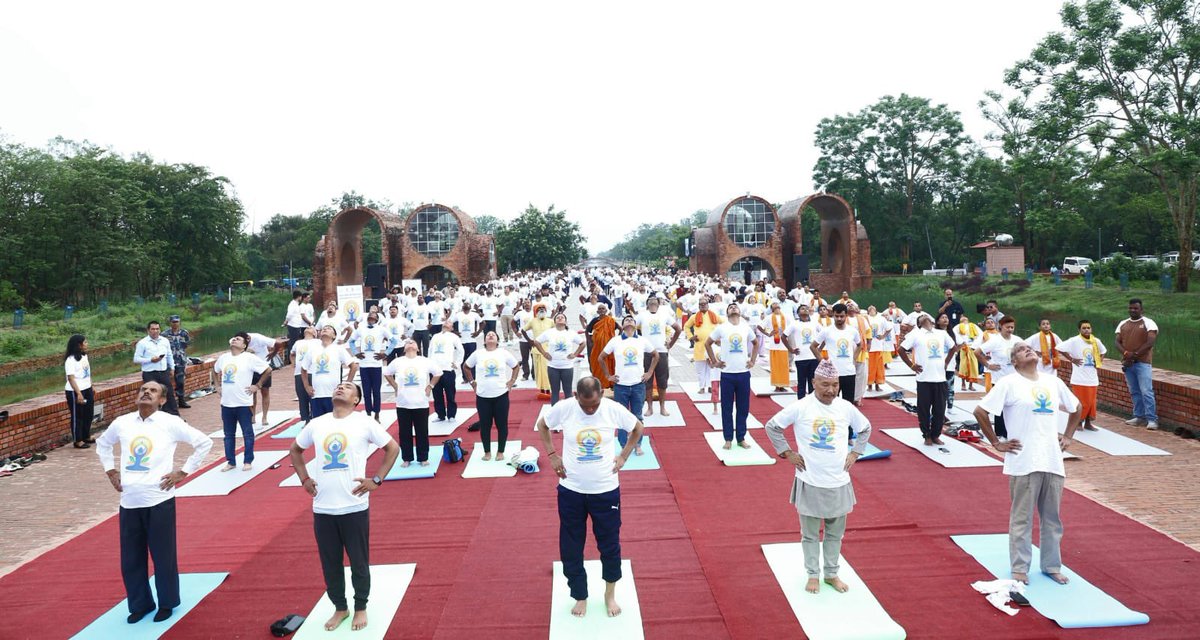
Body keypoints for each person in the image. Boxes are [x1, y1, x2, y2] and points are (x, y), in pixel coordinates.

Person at [96, 382, 213, 624]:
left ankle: (167, 602)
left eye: (153, 391)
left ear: (161, 400)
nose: (146, 393)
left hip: (159, 500)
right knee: (131, 559)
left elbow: (204, 443)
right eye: (143, 390)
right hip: (129, 501)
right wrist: (110, 471)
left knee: (163, 556)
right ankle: (140, 604)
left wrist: (182, 472)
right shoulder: (123, 422)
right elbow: (103, 444)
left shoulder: (169, 422)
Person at [290, 382, 400, 632]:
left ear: (356, 400)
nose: (341, 388)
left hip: (354, 505)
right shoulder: (317, 423)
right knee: (330, 562)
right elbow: (295, 450)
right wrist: (305, 479)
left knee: (359, 561)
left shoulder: (364, 422)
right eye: (339, 386)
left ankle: (360, 606)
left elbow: (392, 448)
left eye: (348, 387)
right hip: (323, 507)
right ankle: (340, 607)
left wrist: (377, 479)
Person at [973, 343, 1082, 585]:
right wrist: (996, 442)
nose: (1028, 351)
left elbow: (1077, 408)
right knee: (1022, 517)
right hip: (1024, 460)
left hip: (1052, 459)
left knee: (1052, 518)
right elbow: (980, 411)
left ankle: (1051, 565)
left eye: (1029, 349)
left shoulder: (1053, 382)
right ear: (1015, 362)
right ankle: (1020, 567)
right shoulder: (1008, 383)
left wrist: (1068, 436)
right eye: (1022, 351)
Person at [536, 376, 644, 618]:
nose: (590, 409)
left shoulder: (612, 409)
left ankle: (609, 593)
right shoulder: (565, 408)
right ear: (576, 396)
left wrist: (624, 455)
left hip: (605, 490)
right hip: (571, 489)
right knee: (571, 545)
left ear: (602, 394)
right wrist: (552, 454)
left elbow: (637, 428)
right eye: (585, 406)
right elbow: (542, 424)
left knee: (609, 544)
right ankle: (580, 595)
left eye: (594, 404)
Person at [764, 359, 872, 594]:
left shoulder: (845, 407)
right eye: (824, 384)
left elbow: (865, 428)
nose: (830, 390)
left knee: (835, 533)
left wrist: (856, 452)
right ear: (813, 383)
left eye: (835, 385)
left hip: (839, 481)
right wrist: (786, 452)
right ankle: (813, 574)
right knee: (810, 534)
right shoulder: (801, 406)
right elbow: (772, 426)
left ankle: (831, 573)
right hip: (810, 480)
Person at [212, 334, 271, 471]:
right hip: (226, 403)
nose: (234, 340)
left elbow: (267, 370)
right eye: (233, 338)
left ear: (244, 346)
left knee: (247, 433)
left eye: (238, 339)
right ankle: (230, 461)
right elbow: (215, 371)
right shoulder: (223, 358)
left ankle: (248, 460)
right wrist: (217, 386)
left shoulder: (249, 358)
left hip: (243, 403)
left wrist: (258, 385)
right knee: (228, 434)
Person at [706, 303, 761, 449]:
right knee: (727, 407)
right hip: (727, 374)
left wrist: (753, 360)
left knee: (743, 407)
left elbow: (756, 343)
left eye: (735, 307)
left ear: (740, 311)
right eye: (730, 307)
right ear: (727, 312)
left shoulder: (745, 327)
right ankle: (728, 438)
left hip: (743, 373)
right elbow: (708, 343)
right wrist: (715, 362)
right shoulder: (722, 327)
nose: (733, 308)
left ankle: (741, 437)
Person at [600, 315, 656, 455]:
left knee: (638, 416)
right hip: (621, 386)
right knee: (621, 417)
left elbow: (656, 355)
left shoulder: (642, 340)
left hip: (638, 385)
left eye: (632, 320)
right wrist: (608, 376)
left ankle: (637, 444)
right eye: (626, 320)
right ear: (622, 325)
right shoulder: (615, 341)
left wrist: (649, 373)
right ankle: (624, 445)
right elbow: (601, 357)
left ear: (636, 325)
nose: (629, 321)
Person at [898, 315, 956, 446]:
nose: (925, 317)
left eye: (926, 316)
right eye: (921, 318)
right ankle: (927, 435)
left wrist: (946, 362)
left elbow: (953, 347)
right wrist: (911, 365)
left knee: (940, 409)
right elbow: (901, 349)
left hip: (940, 378)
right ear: (919, 323)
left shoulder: (941, 333)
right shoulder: (916, 334)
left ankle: (936, 435)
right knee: (924, 409)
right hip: (924, 378)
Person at [384, 339, 443, 466]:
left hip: (420, 402)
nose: (410, 343)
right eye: (408, 342)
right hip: (403, 402)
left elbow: (438, 373)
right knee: (404, 432)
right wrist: (395, 386)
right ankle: (407, 458)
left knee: (422, 431)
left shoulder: (424, 361)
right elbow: (387, 373)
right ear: (404, 348)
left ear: (418, 348)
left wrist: (430, 386)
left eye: (413, 342)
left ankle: (423, 457)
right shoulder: (398, 362)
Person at [464, 331, 520, 460]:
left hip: (501, 394)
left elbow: (516, 366)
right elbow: (466, 367)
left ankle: (500, 451)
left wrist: (511, 381)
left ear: (497, 340)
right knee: (485, 425)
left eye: (493, 335)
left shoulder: (503, 353)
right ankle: (487, 452)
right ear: (484, 341)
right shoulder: (478, 354)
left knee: (502, 424)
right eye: (488, 335)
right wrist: (472, 382)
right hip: (483, 396)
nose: (490, 336)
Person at [975, 316, 1023, 439]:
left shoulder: (1017, 340)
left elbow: (1025, 351)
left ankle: (1012, 431)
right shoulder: (995, 340)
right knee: (1000, 407)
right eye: (1007, 327)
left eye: (1012, 327)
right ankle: (1000, 433)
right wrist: (988, 365)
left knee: (1013, 405)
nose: (1010, 330)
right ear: (1000, 327)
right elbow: (977, 352)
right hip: (999, 379)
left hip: (1015, 378)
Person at [1115, 298, 1160, 430]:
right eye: (1131, 308)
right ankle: (1139, 417)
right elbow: (1117, 342)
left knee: (1146, 391)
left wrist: (1133, 356)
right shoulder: (1123, 323)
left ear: (1141, 309)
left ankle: (1152, 419)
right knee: (1134, 391)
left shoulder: (1148, 323)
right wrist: (1126, 354)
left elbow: (1150, 342)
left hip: (1143, 363)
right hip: (1128, 364)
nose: (1133, 310)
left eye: (1135, 308)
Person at [1056, 319, 1108, 431]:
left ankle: (1088, 423)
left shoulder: (1095, 341)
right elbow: (1059, 347)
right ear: (1079, 329)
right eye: (1084, 328)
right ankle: (1078, 423)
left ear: (1091, 329)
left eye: (1088, 328)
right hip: (1079, 379)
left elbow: (1103, 351)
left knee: (1091, 402)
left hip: (1093, 378)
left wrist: (1099, 361)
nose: (1086, 330)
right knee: (1081, 402)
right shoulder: (1074, 340)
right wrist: (1071, 359)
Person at [636, 295, 681, 415]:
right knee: (647, 380)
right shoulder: (642, 315)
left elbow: (678, 329)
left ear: (658, 304)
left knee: (662, 380)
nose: (652, 304)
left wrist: (670, 344)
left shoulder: (664, 315)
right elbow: (630, 328)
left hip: (662, 351)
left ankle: (662, 407)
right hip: (646, 352)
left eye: (655, 302)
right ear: (647, 305)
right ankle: (649, 407)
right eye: (650, 302)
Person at [302, 326, 360, 420]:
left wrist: (346, 384)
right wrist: (306, 386)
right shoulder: (312, 350)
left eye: (329, 329)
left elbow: (353, 366)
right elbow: (303, 369)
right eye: (323, 328)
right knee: (318, 423)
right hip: (317, 394)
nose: (325, 329)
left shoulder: (338, 349)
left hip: (333, 394)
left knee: (334, 422)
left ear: (334, 336)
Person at [810, 304, 861, 404]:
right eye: (836, 316)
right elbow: (813, 346)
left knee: (848, 403)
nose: (839, 318)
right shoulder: (826, 331)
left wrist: (854, 358)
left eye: (841, 316)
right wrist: (823, 362)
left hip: (849, 372)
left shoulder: (853, 331)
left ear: (846, 315)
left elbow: (860, 345)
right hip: (833, 374)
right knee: (831, 403)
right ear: (832, 315)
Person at [534, 312, 586, 405]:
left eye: (562, 317)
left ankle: (569, 412)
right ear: (554, 321)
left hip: (567, 366)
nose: (560, 318)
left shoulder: (571, 333)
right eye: (558, 317)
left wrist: (575, 354)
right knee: (555, 392)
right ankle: (555, 413)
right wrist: (544, 353)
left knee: (568, 392)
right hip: (553, 366)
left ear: (566, 321)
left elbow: (582, 343)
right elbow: (537, 341)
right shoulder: (550, 332)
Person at [351, 311, 389, 422]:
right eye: (369, 316)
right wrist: (355, 352)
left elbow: (393, 340)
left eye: (374, 316)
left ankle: (377, 414)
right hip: (364, 364)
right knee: (366, 392)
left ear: (377, 319)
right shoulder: (361, 329)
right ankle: (368, 413)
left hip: (376, 364)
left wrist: (385, 353)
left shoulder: (381, 329)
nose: (371, 317)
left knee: (376, 391)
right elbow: (351, 341)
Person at [133, 321, 177, 415]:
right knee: (151, 396)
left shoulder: (164, 341)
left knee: (168, 394)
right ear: (148, 330)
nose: (155, 331)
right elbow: (136, 359)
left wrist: (172, 368)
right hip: (150, 373)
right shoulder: (142, 343)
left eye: (157, 329)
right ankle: (152, 416)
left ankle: (174, 416)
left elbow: (169, 355)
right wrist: (150, 360)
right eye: (153, 329)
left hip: (163, 372)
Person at [244, 332, 287, 428]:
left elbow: (278, 343)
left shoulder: (259, 338)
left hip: (263, 366)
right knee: (251, 392)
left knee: (265, 391)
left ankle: (264, 417)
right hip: (250, 368)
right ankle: (252, 416)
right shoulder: (237, 341)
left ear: (248, 338)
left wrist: (273, 353)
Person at [682, 297, 723, 396]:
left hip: (712, 346)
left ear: (708, 305)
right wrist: (691, 337)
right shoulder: (694, 316)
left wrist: (720, 338)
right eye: (701, 304)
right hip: (699, 345)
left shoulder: (714, 315)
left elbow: (724, 323)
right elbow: (686, 326)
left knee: (711, 367)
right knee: (700, 369)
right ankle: (701, 387)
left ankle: (709, 386)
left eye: (705, 303)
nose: (703, 305)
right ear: (698, 306)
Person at [427, 320, 465, 422]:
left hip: (447, 368)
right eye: (445, 322)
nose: (445, 323)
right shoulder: (435, 336)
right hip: (435, 370)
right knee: (437, 393)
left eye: (449, 323)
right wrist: (429, 365)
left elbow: (461, 350)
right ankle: (440, 414)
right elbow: (430, 350)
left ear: (452, 328)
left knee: (450, 393)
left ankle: (451, 415)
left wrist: (457, 363)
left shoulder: (454, 337)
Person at [65, 334, 95, 448]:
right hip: (75, 391)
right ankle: (78, 440)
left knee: (88, 413)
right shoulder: (70, 360)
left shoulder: (84, 356)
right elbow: (71, 378)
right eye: (85, 342)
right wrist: (79, 394)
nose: (87, 344)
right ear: (79, 345)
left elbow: (87, 374)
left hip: (87, 388)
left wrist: (91, 386)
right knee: (78, 416)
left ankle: (86, 435)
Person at [785, 304, 820, 400]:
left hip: (813, 357)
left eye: (807, 308)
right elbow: (784, 336)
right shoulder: (794, 324)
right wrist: (791, 349)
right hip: (800, 357)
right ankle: (801, 402)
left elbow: (824, 335)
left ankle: (813, 403)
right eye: (802, 308)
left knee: (812, 382)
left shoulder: (814, 323)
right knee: (801, 382)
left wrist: (819, 350)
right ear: (798, 313)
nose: (805, 310)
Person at [759, 301, 794, 392]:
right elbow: (759, 326)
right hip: (774, 345)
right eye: (774, 304)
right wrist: (768, 334)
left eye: (777, 304)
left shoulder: (786, 317)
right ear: (771, 308)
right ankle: (776, 385)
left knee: (784, 366)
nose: (776, 305)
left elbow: (793, 327)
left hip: (784, 345)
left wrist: (787, 334)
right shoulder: (769, 317)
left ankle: (782, 385)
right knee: (775, 366)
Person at [524, 302, 555, 398]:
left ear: (546, 311)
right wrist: (529, 341)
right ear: (536, 311)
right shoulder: (532, 321)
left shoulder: (550, 321)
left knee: (547, 370)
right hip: (537, 350)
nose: (541, 310)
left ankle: (548, 390)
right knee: (539, 371)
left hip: (548, 350)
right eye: (539, 309)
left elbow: (556, 331)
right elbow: (523, 330)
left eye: (543, 308)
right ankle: (542, 390)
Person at [290, 327, 320, 424]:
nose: (308, 328)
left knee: (313, 395)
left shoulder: (317, 342)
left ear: (315, 333)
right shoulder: (298, 343)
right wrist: (293, 362)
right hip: (299, 372)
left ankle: (315, 417)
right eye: (307, 328)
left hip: (312, 371)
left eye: (311, 328)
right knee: (302, 397)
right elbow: (292, 353)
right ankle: (305, 419)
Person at [587, 303, 619, 390]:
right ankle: (599, 383)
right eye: (600, 309)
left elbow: (620, 328)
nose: (601, 310)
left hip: (609, 347)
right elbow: (587, 330)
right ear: (597, 311)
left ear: (606, 310)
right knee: (597, 363)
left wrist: (618, 339)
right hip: (597, 347)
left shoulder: (610, 320)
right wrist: (589, 341)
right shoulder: (595, 320)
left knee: (609, 364)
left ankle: (610, 382)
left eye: (603, 309)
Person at [163, 316, 192, 409]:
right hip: (169, 362)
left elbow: (187, 344)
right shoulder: (165, 334)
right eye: (173, 322)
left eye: (177, 322)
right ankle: (167, 403)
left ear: (180, 322)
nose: (175, 324)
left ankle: (181, 400)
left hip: (180, 361)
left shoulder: (184, 333)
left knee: (180, 381)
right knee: (167, 382)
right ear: (170, 323)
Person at [865, 306, 891, 392]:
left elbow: (889, 328)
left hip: (879, 346)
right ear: (868, 311)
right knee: (869, 367)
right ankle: (869, 386)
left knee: (878, 367)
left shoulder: (881, 318)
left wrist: (883, 336)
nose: (871, 310)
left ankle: (877, 385)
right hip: (869, 347)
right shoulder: (865, 318)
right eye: (869, 309)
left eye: (873, 309)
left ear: (876, 310)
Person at [284, 291, 315, 363]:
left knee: (295, 341)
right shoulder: (293, 304)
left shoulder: (296, 304)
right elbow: (289, 314)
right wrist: (286, 321)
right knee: (293, 342)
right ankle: (290, 359)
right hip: (293, 325)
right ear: (299, 297)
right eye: (301, 297)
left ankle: (294, 357)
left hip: (296, 325)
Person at [954, 315, 982, 391]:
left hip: (973, 348)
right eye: (961, 317)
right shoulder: (958, 327)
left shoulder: (974, 326)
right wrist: (962, 343)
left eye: (965, 317)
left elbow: (980, 335)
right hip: (964, 348)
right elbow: (955, 335)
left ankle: (971, 385)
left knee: (974, 366)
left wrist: (975, 345)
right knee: (963, 366)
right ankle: (963, 384)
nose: (963, 318)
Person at [512, 299, 533, 380]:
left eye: (528, 302)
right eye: (525, 303)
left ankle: (534, 374)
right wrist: (516, 332)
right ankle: (525, 374)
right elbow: (512, 322)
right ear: (523, 305)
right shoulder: (520, 313)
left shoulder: (534, 313)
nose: (527, 304)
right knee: (525, 358)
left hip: (533, 339)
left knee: (534, 357)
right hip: (523, 339)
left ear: (531, 304)